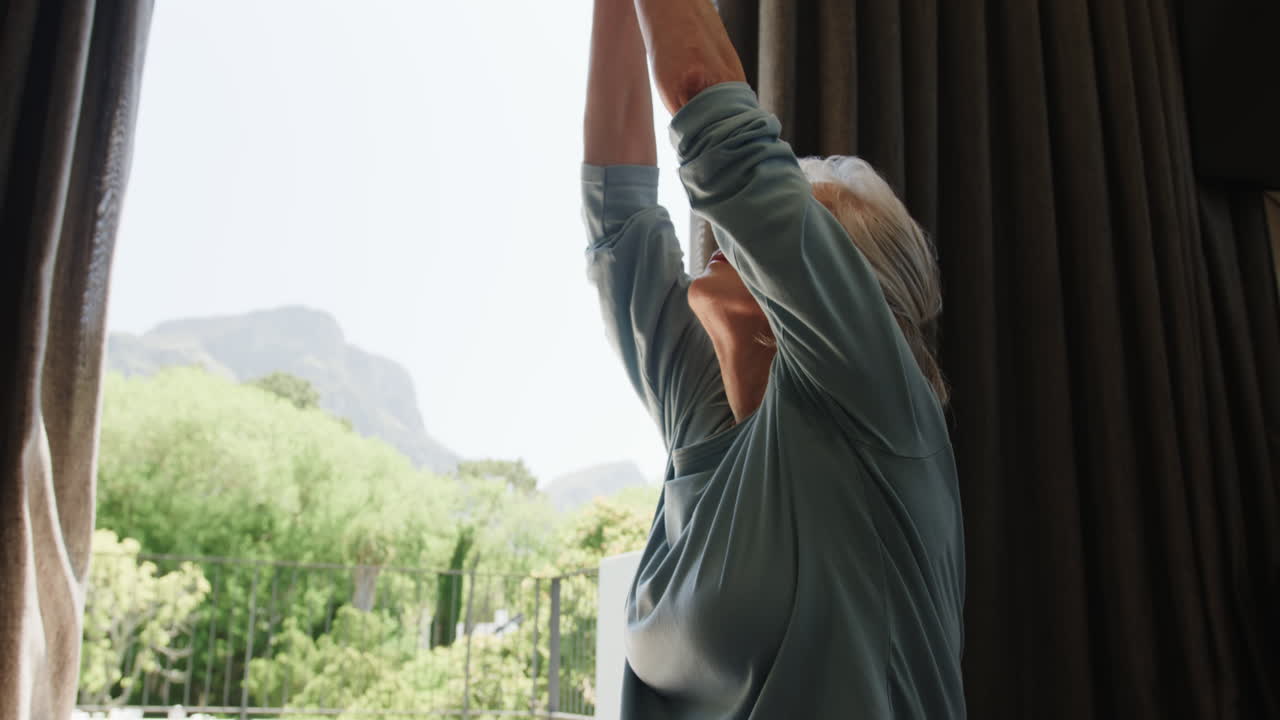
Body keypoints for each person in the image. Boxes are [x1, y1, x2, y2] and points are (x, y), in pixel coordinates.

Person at [581, 0, 966, 717]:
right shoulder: (704, 420)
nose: (731, 230)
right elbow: (618, 218)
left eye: (793, 216)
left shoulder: (870, 410)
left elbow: (704, 98)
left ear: (844, 295)